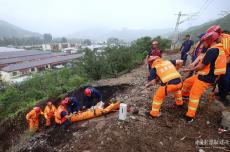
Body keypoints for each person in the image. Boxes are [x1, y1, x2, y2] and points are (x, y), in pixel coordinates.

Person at [181, 31, 226, 122]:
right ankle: (185, 96)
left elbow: (201, 66)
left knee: (194, 95)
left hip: (205, 77)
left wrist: (189, 69)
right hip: (205, 74)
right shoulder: (218, 48)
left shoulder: (212, 51)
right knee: (187, 82)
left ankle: (190, 116)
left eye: (204, 41)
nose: (203, 43)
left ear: (210, 40)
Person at [206, 25, 230, 105]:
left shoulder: (228, 38)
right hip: (219, 63)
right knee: (219, 79)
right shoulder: (214, 41)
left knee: (226, 80)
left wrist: (224, 62)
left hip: (228, 63)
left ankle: (223, 97)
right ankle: (220, 93)